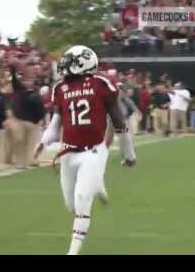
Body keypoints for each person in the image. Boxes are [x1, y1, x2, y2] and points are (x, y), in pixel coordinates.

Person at [34, 45, 136, 256]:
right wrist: (43, 142)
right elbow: (55, 124)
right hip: (68, 153)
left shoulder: (101, 84)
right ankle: (98, 186)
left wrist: (129, 154)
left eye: (70, 61)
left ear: (84, 63)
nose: (65, 64)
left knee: (81, 202)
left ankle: (72, 252)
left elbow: (119, 122)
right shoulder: (60, 88)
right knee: (70, 205)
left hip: (93, 151)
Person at [8, 60, 46, 169]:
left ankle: (27, 162)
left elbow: (40, 108)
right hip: (20, 121)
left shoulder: (35, 94)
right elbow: (14, 81)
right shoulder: (20, 90)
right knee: (19, 141)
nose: (28, 82)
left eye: (30, 80)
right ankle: (20, 162)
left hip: (32, 122)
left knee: (29, 144)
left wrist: (41, 118)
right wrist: (13, 70)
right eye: (27, 80)